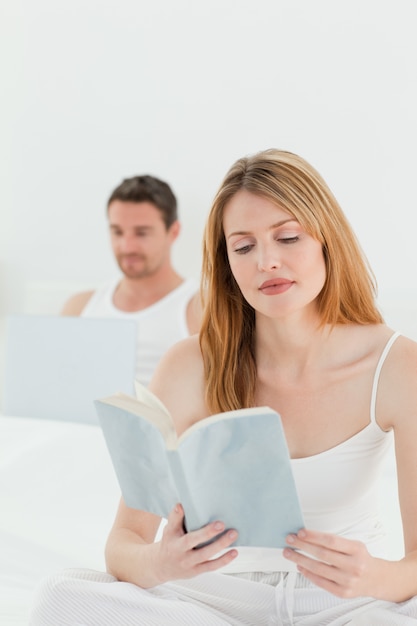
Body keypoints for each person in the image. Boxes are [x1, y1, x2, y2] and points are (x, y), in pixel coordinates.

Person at [29, 149, 417, 625]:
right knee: (60, 597)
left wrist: (374, 577)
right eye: (243, 247)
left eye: (288, 237)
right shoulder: (190, 364)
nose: (267, 262)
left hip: (344, 604)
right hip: (212, 602)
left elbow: (413, 568)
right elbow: (123, 542)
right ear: (227, 261)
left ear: (326, 240)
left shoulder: (396, 365)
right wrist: (160, 562)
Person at [61, 174, 202, 386]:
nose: (127, 247)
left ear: (173, 232)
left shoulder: (198, 308)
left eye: (141, 233)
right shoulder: (79, 307)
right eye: (117, 232)